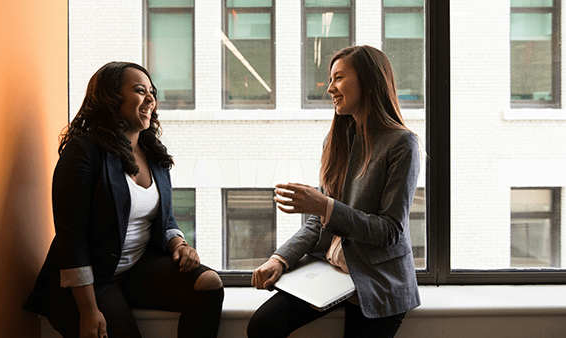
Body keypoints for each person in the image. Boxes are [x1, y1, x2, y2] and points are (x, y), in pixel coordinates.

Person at [24, 62, 224, 338]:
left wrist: (179, 242)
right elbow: (72, 238)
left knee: (209, 284)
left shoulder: (153, 153)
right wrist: (88, 311)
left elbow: (163, 216)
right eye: (140, 91)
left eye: (152, 92)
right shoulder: (83, 151)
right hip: (92, 283)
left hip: (136, 268)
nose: (151, 99)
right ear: (111, 98)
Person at [247, 45, 421, 338]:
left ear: (368, 81)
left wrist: (325, 206)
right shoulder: (337, 139)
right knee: (262, 327)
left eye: (338, 78)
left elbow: (389, 231)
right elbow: (318, 221)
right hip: (332, 272)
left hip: (378, 279)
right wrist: (280, 259)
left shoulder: (402, 144)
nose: (330, 88)